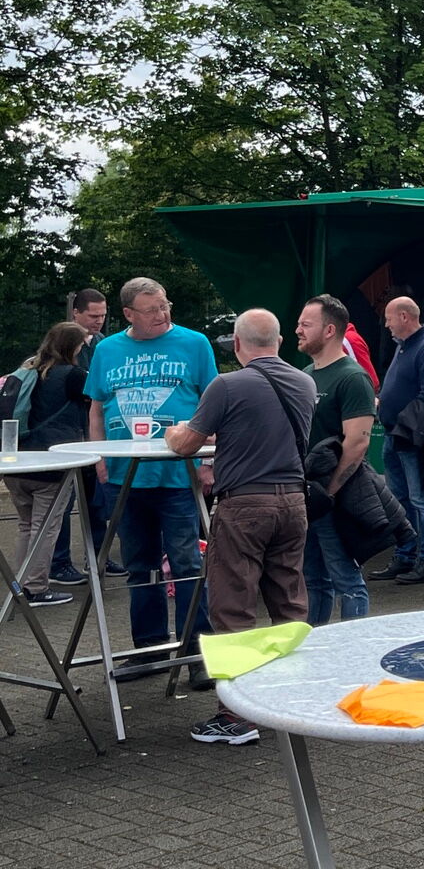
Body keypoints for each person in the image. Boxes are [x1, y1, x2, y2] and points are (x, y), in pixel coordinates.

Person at [167, 309, 314, 745]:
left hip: (245, 505)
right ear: (279, 341)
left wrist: (176, 431)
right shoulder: (304, 383)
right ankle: (292, 701)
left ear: (236, 344)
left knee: (233, 607)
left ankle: (236, 716)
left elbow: (186, 445)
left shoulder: (227, 385)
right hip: (293, 501)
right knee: (289, 603)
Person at [85, 278, 218, 678]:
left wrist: (209, 460)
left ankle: (197, 654)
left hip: (178, 474)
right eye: (151, 309)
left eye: (164, 306)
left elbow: (213, 404)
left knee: (187, 562)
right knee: (138, 564)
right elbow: (96, 408)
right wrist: (99, 457)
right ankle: (149, 649)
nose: (162, 315)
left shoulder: (195, 344)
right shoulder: (107, 350)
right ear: (129, 314)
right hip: (123, 477)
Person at [295, 295, 376, 624]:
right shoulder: (306, 375)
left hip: (334, 499)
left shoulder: (353, 378)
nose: (298, 330)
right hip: (308, 496)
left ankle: (353, 649)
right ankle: (316, 645)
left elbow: (357, 442)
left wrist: (328, 493)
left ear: (329, 330)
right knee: (313, 579)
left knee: (347, 581)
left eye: (306, 324)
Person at [4, 323, 92, 606]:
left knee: (26, 525)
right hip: (52, 462)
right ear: (73, 346)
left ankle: (19, 584)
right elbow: (95, 400)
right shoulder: (74, 375)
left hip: (17, 460)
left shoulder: (26, 370)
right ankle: (36, 587)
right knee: (45, 528)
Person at [370, 295, 424, 585]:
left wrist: (405, 426)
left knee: (422, 499)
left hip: (412, 437)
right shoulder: (404, 346)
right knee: (400, 499)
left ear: (404, 317)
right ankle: (405, 555)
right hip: (395, 435)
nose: (386, 324)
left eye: (389, 318)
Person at [50, 288, 118, 585]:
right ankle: (59, 562)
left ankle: (99, 556)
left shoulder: (105, 344)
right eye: (93, 315)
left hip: (91, 434)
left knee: (96, 500)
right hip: (69, 435)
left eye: (102, 315)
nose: (98, 321)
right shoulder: (62, 347)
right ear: (75, 313)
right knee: (62, 504)